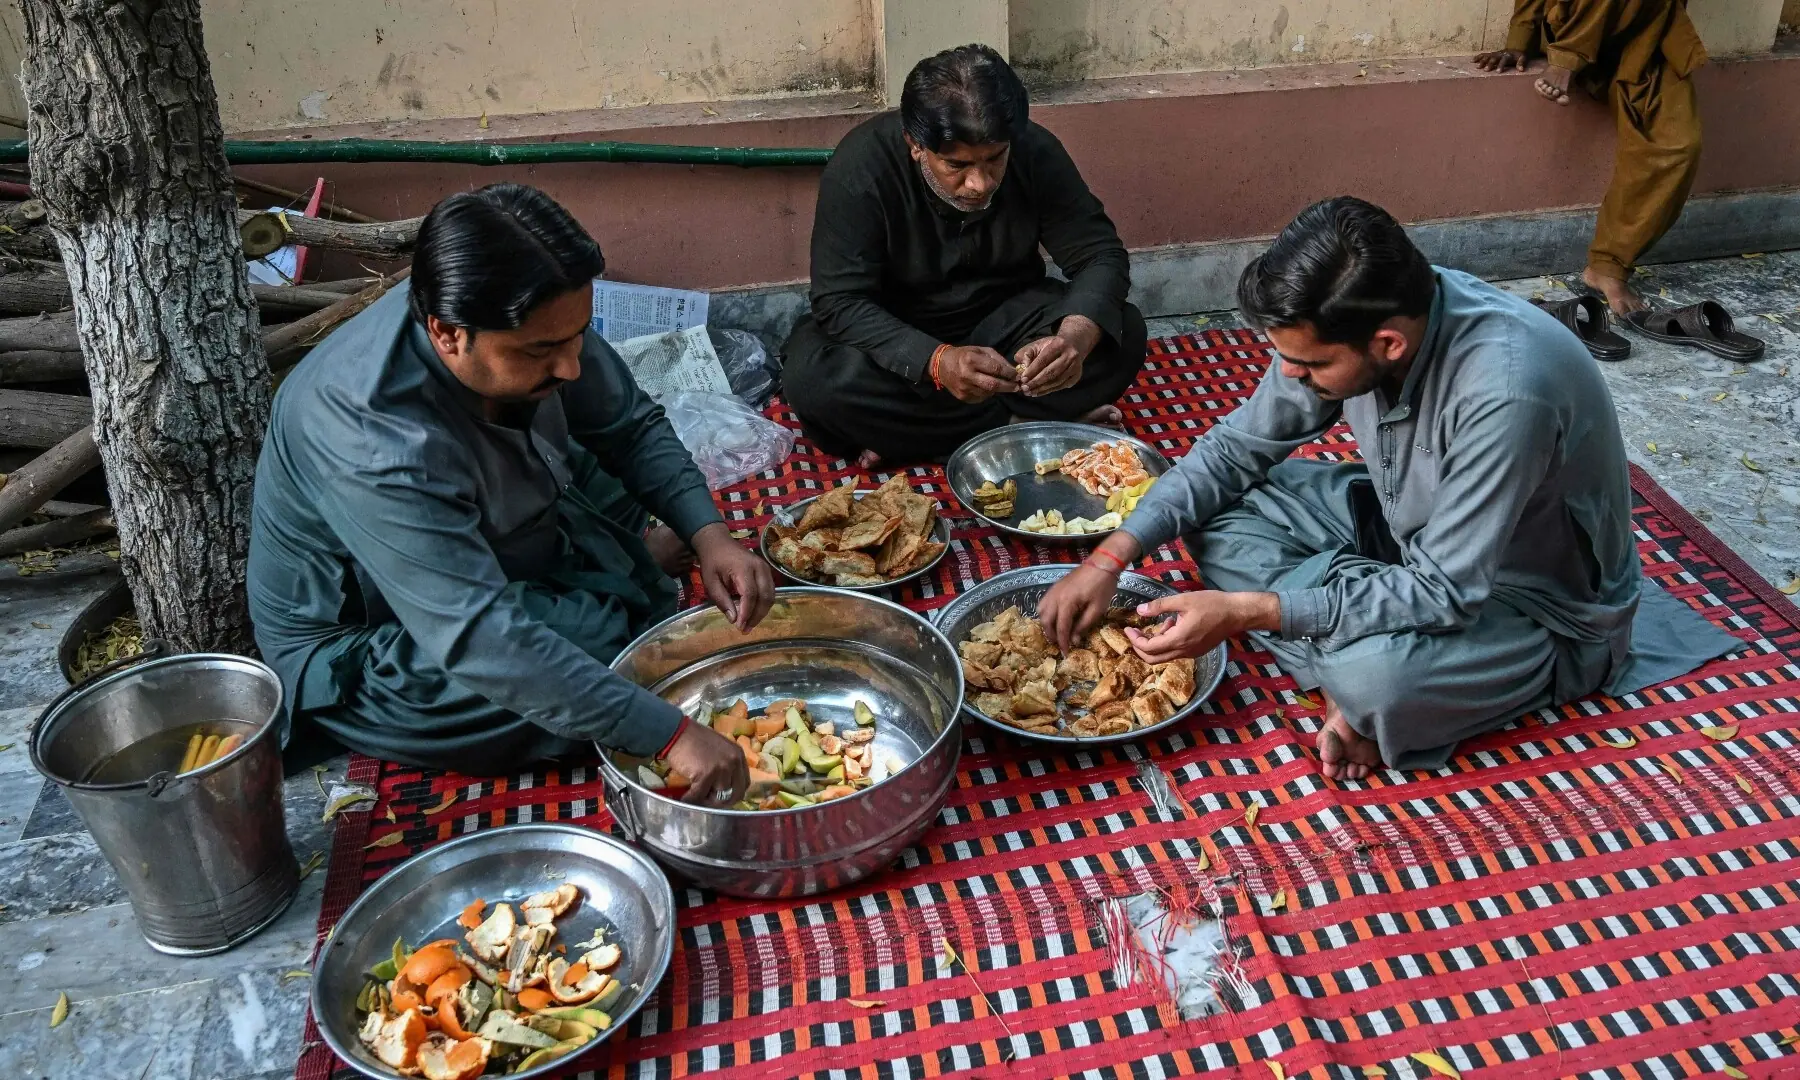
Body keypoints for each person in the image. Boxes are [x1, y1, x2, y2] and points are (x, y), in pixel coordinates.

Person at [1037, 197, 1738, 779]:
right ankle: (1351, 627)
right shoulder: (1369, 313)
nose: (1290, 379)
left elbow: (1446, 591)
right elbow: (1234, 448)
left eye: (1309, 367)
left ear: (1389, 346)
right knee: (1219, 506)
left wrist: (1251, 612)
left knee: (1377, 681)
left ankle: (1389, 676)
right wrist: (1111, 557)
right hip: (1410, 532)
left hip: (1524, 601)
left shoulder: (1508, 392)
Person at [249, 183, 773, 804]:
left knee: (618, 528)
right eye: (544, 350)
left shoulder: (526, 313)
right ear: (448, 335)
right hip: (377, 635)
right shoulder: (369, 434)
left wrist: (709, 535)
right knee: (610, 658)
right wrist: (669, 736)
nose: (573, 365)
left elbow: (629, 424)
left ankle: (602, 575)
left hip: (501, 531)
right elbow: (477, 636)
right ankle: (596, 586)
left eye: (578, 335)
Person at [783, 43, 1146, 468]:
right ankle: (1024, 423)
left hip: (1007, 323)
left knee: (1123, 331)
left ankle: (914, 438)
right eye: (956, 166)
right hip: (901, 336)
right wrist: (937, 362)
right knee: (814, 380)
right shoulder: (861, 167)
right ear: (915, 145)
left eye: (995, 159)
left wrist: (1073, 341)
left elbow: (1098, 254)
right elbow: (839, 302)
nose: (980, 183)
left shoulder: (1034, 150)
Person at [1474, 0, 1706, 314]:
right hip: (1576, 24)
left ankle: (1607, 266)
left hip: (1647, 36)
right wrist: (1520, 41)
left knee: (1678, 144)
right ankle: (1569, 59)